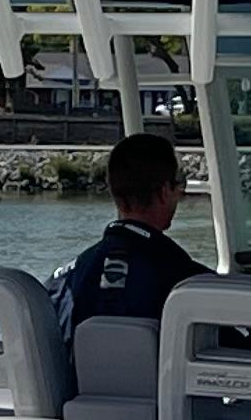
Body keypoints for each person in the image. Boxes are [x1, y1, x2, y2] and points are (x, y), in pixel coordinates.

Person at [54, 130, 206, 337]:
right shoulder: (187, 282)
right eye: (178, 186)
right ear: (163, 192)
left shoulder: (65, 282)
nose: (180, 196)